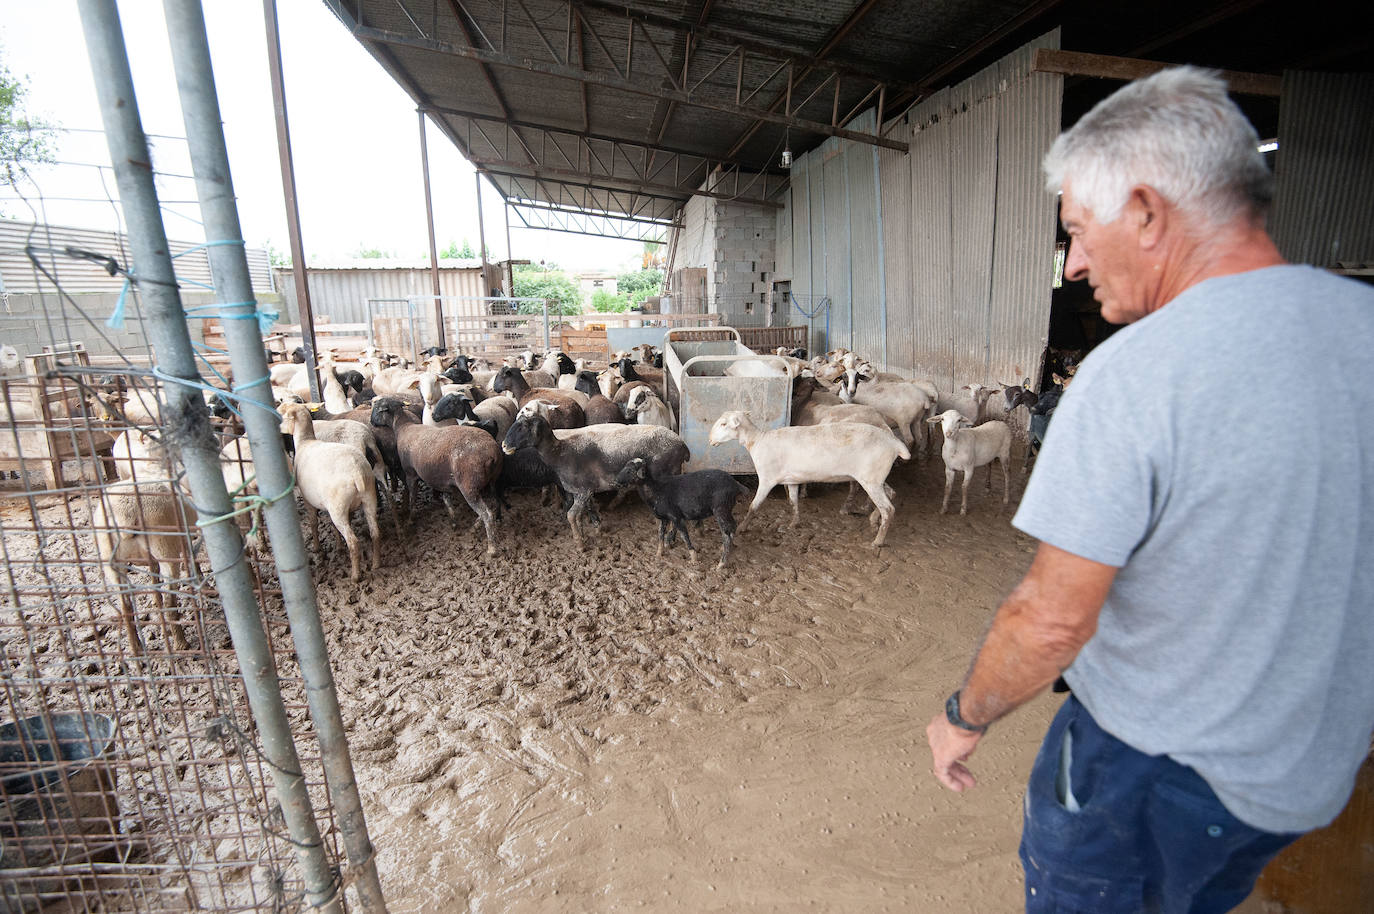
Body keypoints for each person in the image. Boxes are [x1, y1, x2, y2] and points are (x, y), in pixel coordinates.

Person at [924, 66, 1374, 914]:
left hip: (1151, 773)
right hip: (1301, 776)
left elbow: (1051, 617)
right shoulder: (1363, 327)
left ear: (1145, 210)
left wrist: (964, 713)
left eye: (1078, 230)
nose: (1076, 263)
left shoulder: (1135, 374)